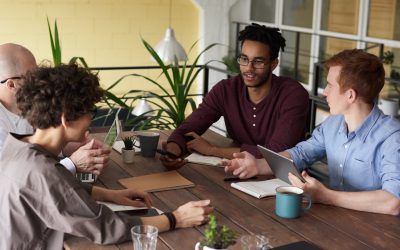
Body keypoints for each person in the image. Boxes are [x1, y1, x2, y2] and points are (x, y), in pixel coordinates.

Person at [0, 64, 213, 249]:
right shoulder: (41, 171)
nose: (91, 119)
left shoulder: (18, 145)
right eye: (88, 111)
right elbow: (107, 229)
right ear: (66, 119)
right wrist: (176, 218)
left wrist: (111, 195)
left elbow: (57, 190)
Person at [223, 49, 400, 215]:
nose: (325, 92)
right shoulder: (332, 124)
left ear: (350, 95)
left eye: (330, 85)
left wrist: (327, 196)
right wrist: (258, 165)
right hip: (337, 220)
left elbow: (393, 202)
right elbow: (300, 153)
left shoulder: (392, 137)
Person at [160, 23, 309, 170]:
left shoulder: (293, 94)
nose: (249, 68)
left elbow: (275, 154)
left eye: (258, 61)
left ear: (273, 64)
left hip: (284, 181)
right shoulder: (226, 90)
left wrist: (213, 151)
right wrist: (173, 151)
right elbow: (189, 128)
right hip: (238, 172)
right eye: (244, 59)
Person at [0, 43, 109, 175]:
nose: (39, 81)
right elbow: (18, 178)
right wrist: (72, 164)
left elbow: (35, 151)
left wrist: (65, 145)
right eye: (32, 77)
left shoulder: (27, 105)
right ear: (11, 84)